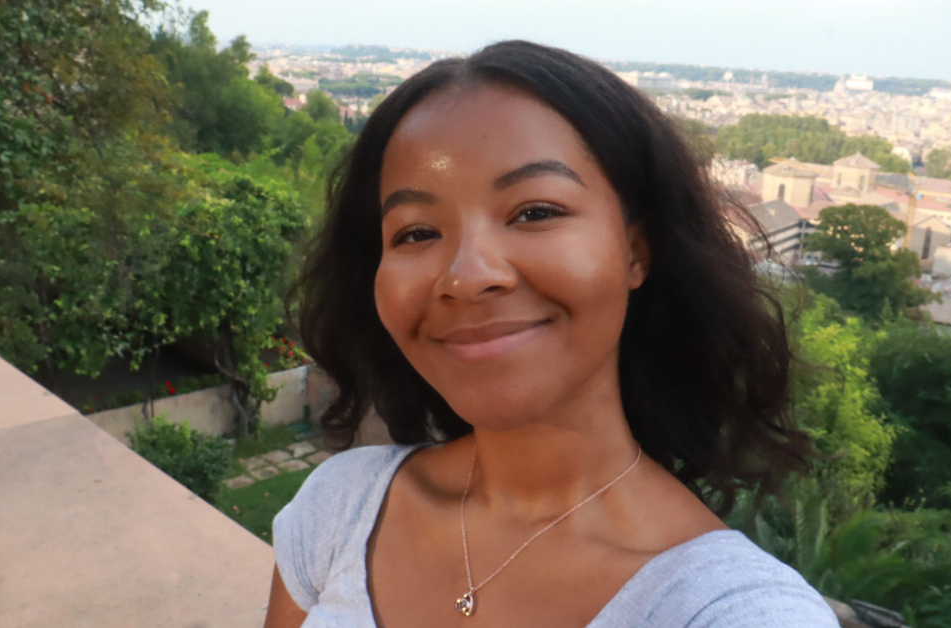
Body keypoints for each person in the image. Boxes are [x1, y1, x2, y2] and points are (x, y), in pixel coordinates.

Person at [265, 40, 839, 628]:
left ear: (635, 252)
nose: (466, 276)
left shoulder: (725, 609)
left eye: (535, 212)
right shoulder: (342, 509)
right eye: (414, 233)